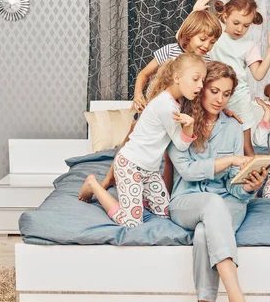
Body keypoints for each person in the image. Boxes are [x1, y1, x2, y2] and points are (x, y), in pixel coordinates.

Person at [166, 61, 268, 302]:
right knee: (210, 203)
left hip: (229, 202)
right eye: (214, 91)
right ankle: (237, 299)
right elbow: (186, 170)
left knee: (202, 234)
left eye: (226, 94)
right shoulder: (180, 122)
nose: (219, 99)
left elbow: (233, 186)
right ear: (200, 88)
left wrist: (249, 186)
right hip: (187, 200)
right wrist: (228, 162)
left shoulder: (234, 127)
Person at [78, 54, 206, 227]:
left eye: (203, 80)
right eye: (196, 79)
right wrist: (189, 126)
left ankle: (137, 196)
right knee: (131, 222)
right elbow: (181, 145)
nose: (200, 85)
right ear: (177, 78)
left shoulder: (176, 101)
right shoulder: (166, 106)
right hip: (130, 165)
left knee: (165, 213)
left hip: (150, 171)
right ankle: (93, 184)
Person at [209, 0, 270, 156]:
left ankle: (252, 176)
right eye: (236, 23)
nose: (240, 29)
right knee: (214, 140)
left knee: (246, 145)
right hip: (213, 97)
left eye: (246, 26)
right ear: (225, 16)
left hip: (239, 99)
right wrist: (196, 12)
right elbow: (190, 38)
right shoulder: (214, 37)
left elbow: (258, 75)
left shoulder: (249, 45)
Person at [132, 10, 222, 113]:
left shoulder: (206, 61)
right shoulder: (169, 51)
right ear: (189, 35)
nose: (207, 46)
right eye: (202, 39)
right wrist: (138, 94)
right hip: (154, 106)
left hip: (180, 112)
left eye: (212, 42)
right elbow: (143, 74)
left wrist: (223, 112)